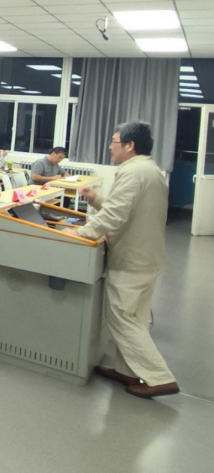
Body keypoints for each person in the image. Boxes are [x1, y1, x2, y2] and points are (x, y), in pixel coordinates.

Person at [74, 122, 178, 398]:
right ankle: (126, 370)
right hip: (148, 256)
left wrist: (81, 233)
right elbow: (127, 208)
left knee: (122, 317)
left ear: (130, 146)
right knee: (135, 317)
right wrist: (96, 199)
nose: (111, 147)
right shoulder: (151, 170)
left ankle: (159, 377)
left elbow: (115, 215)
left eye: (114, 141)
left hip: (132, 259)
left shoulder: (132, 172)